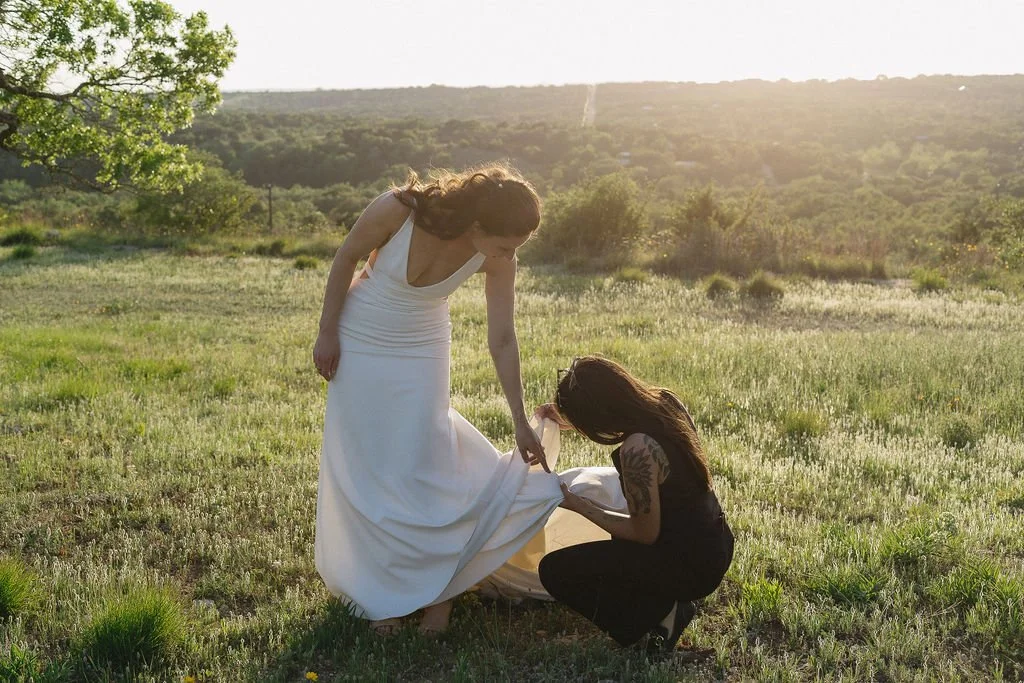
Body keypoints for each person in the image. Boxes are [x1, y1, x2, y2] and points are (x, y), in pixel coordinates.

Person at [311, 163, 559, 637]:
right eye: (507, 244)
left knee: (422, 463)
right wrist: (327, 333)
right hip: (360, 338)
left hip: (422, 348)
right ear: (477, 225)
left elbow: (503, 338)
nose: (512, 255)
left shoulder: (497, 259)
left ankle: (440, 596)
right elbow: (345, 259)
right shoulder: (397, 210)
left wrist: (519, 420)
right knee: (369, 467)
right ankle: (382, 594)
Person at [535, 355, 734, 654]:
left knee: (556, 570)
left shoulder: (637, 450)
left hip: (691, 566)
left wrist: (580, 505)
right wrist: (568, 421)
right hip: (714, 543)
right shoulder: (667, 403)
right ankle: (662, 604)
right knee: (616, 540)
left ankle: (661, 614)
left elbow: (644, 534)